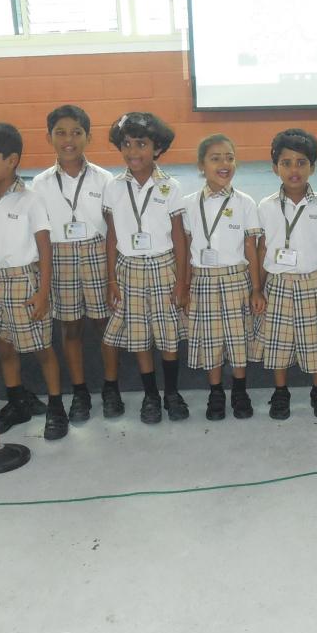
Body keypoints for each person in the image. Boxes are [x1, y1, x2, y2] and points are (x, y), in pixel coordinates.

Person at [0, 122, 68, 440]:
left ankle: (56, 407)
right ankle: (17, 401)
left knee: (42, 349)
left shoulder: (30, 200)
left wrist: (43, 292)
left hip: (23, 282)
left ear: (11, 161)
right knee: (4, 347)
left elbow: (44, 249)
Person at [30, 105, 119, 423]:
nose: (69, 139)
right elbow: (40, 234)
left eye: (77, 133)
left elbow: (113, 229)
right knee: (70, 327)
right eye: (61, 133)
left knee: (105, 324)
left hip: (97, 253)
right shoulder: (39, 183)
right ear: (49, 137)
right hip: (60, 255)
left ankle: (111, 387)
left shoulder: (105, 179)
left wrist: (112, 276)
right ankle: (80, 391)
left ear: (88, 138)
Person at [101, 112, 190, 424]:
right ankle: (150, 394)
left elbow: (179, 237)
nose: (133, 151)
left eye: (141, 144)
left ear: (157, 148)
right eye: (126, 144)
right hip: (129, 270)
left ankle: (172, 393)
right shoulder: (113, 187)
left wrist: (182, 282)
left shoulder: (170, 187)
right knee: (140, 337)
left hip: (164, 267)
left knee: (167, 336)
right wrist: (112, 279)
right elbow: (112, 236)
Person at [251, 129, 317, 420]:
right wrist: (257, 288)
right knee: (278, 341)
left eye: (302, 163)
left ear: (312, 167)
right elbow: (262, 248)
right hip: (279, 283)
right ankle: (281, 392)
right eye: (286, 163)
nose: (294, 170)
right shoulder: (265, 206)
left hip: (316, 282)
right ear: (274, 167)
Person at [181, 133, 264, 420]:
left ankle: (240, 391)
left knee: (239, 338)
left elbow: (251, 247)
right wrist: (186, 287)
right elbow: (186, 247)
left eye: (229, 157)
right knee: (211, 339)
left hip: (236, 279)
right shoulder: (188, 204)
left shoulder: (245, 202)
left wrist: (256, 289)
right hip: (203, 280)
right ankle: (215, 392)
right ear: (201, 165)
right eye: (215, 158)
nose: (224, 164)